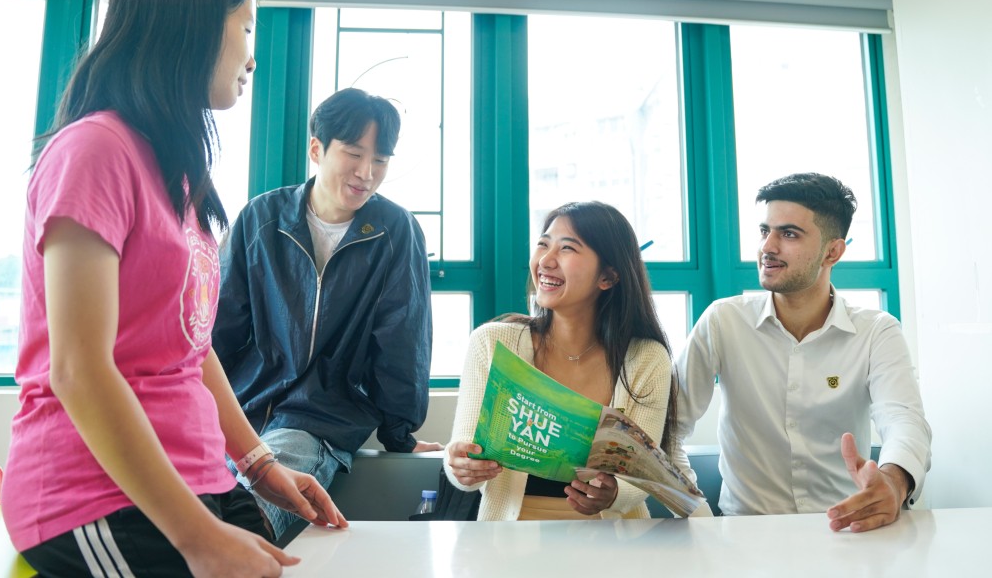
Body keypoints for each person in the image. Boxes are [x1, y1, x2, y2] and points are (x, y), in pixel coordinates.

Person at [0, 0, 346, 578]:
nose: (252, 55)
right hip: (96, 496)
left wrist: (260, 466)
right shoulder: (94, 150)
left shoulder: (177, 176)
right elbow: (78, 369)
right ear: (190, 24)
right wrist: (197, 538)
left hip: (195, 480)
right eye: (246, 27)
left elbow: (189, 347)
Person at [213, 86, 439, 538]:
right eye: (354, 154)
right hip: (239, 415)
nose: (366, 173)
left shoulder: (396, 232)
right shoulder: (261, 218)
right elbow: (220, 330)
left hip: (318, 422)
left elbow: (402, 343)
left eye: (380, 161)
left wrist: (400, 436)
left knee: (242, 521)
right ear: (317, 149)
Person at [672, 172, 931, 533]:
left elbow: (905, 421)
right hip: (744, 535)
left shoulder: (877, 331)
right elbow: (669, 427)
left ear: (833, 251)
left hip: (847, 530)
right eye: (765, 231)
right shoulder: (723, 321)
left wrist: (893, 480)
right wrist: (698, 514)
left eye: (789, 233)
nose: (768, 247)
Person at [444, 201, 677, 520]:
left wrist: (613, 494)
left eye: (567, 249)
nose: (546, 261)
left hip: (614, 545)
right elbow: (465, 450)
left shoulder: (646, 358)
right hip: (510, 542)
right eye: (543, 244)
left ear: (607, 277)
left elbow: (642, 474)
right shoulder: (493, 342)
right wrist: (461, 465)